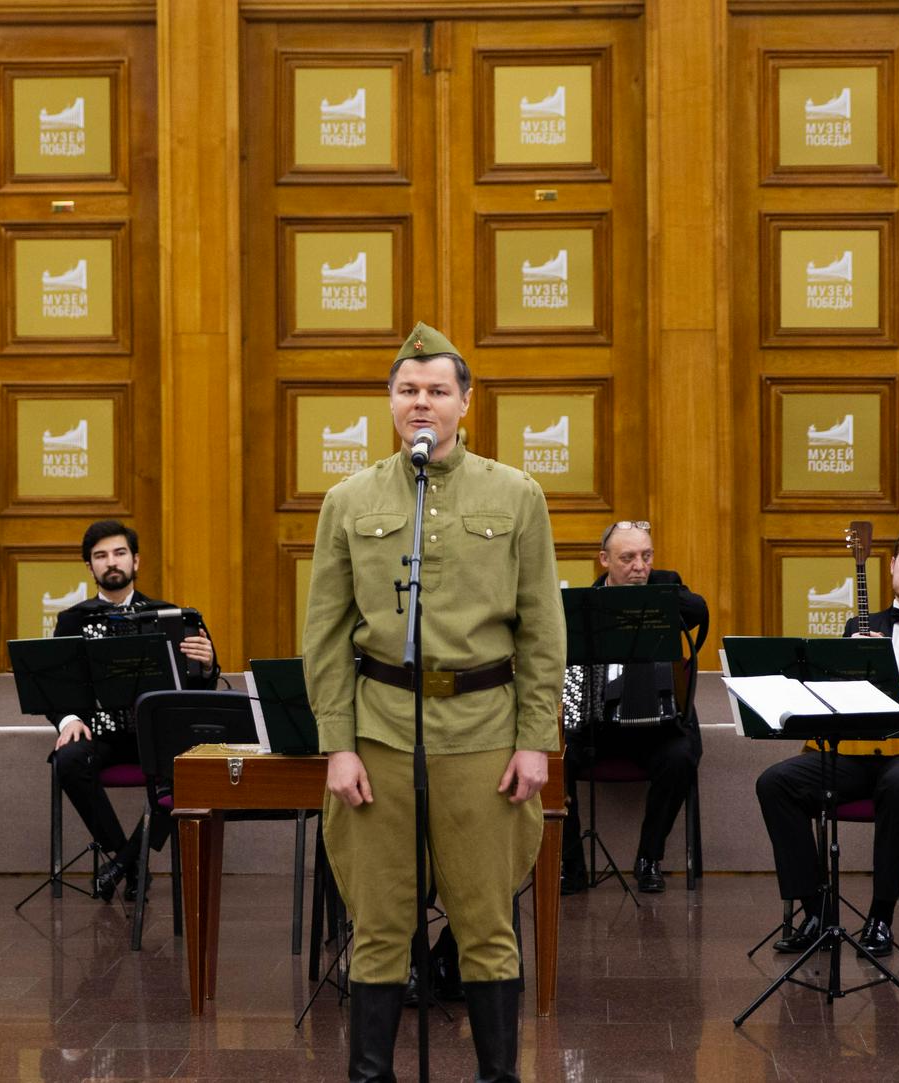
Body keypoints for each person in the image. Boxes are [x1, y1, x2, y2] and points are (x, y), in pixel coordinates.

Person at [306, 321, 564, 1083]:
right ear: (389, 401)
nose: (422, 402)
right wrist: (338, 743)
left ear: (466, 402)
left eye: (437, 391)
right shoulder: (350, 500)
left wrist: (535, 739)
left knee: (486, 925)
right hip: (380, 732)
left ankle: (497, 1076)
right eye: (408, 390)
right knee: (380, 925)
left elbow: (542, 628)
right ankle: (370, 1074)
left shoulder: (516, 494)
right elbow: (323, 633)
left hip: (484, 734)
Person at [754, 525, 899, 956]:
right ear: (893, 565)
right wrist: (845, 669)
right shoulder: (859, 624)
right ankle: (818, 910)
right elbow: (842, 700)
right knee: (776, 782)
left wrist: (891, 680)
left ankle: (881, 916)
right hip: (861, 754)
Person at [46, 519, 220, 902]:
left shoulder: (173, 616)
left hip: (153, 735)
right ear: (89, 567)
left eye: (120, 553)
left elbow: (197, 687)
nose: (112, 562)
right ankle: (128, 859)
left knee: (186, 771)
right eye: (101, 556)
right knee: (68, 760)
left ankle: (124, 865)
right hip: (101, 734)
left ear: (136, 562)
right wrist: (70, 720)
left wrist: (207, 664)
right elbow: (55, 687)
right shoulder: (71, 621)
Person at [561, 520, 708, 894]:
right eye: (628, 558)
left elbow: (700, 612)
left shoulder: (664, 584)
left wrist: (657, 595)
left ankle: (649, 858)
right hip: (599, 727)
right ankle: (570, 865)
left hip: (656, 729)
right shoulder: (587, 604)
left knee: (681, 755)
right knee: (554, 758)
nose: (639, 566)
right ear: (604, 560)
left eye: (646, 556)